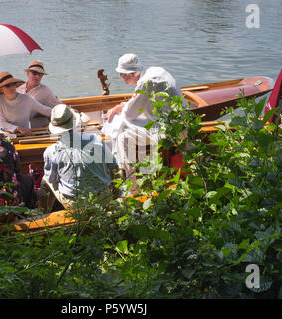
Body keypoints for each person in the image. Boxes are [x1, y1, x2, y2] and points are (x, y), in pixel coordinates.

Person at [103, 53, 181, 183]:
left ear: (132, 74)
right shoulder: (155, 71)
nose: (120, 76)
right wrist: (121, 105)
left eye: (122, 74)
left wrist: (120, 109)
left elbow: (129, 114)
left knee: (122, 135)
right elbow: (137, 103)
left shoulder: (147, 83)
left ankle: (131, 184)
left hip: (170, 130)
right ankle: (132, 176)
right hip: (175, 122)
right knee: (124, 125)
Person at [38, 104, 118, 213]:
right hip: (104, 199)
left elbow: (53, 180)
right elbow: (114, 168)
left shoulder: (51, 151)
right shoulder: (96, 139)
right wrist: (115, 195)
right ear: (73, 122)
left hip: (77, 206)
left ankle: (43, 215)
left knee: (46, 180)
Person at [0, 71, 52, 136]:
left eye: (13, 84)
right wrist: (18, 129)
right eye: (7, 85)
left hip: (25, 135)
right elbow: (2, 122)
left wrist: (60, 114)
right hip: (7, 136)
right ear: (1, 89)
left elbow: (45, 110)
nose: (12, 87)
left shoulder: (27, 99)